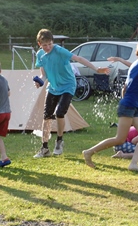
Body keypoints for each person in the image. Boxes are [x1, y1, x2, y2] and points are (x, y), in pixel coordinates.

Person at [33, 29, 109, 158]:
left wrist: (96, 69)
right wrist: (40, 81)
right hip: (53, 88)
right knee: (46, 117)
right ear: (39, 44)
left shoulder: (59, 50)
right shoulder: (40, 55)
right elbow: (44, 74)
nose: (48, 47)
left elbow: (78, 58)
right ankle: (44, 148)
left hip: (68, 85)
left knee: (60, 113)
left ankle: (59, 141)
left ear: (52, 42)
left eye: (50, 44)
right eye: (45, 45)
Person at [83, 40, 138, 172]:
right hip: (130, 106)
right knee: (120, 139)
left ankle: (133, 164)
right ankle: (89, 152)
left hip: (132, 105)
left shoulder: (135, 65)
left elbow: (125, 88)